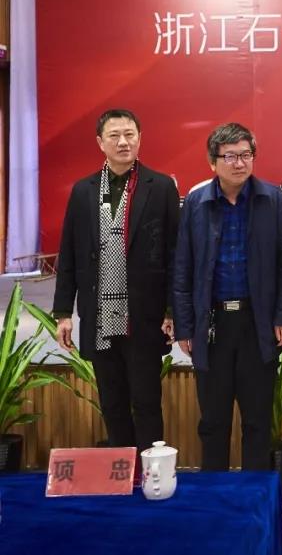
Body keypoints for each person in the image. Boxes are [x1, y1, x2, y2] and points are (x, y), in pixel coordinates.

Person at [52, 109, 179, 455]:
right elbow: (69, 253)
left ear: (140, 138)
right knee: (112, 402)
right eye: (114, 135)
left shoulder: (161, 187)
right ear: (100, 142)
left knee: (147, 402)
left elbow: (175, 254)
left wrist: (171, 310)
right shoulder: (83, 191)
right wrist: (63, 312)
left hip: (144, 315)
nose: (123, 142)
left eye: (129, 134)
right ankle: (121, 471)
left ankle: (151, 473)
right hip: (100, 315)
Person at [173, 123, 282, 471]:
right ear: (213, 162)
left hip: (258, 323)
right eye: (230, 156)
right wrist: (185, 326)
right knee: (213, 420)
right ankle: (215, 491)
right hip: (212, 324)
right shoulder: (196, 203)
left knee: (257, 419)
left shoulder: (273, 199)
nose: (239, 163)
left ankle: (253, 493)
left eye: (245, 155)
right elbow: (182, 267)